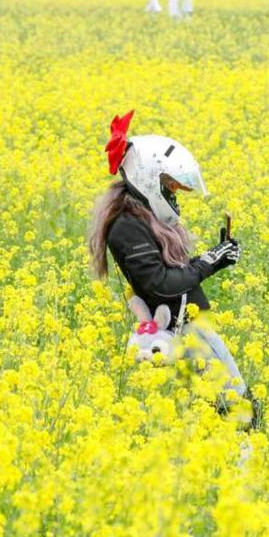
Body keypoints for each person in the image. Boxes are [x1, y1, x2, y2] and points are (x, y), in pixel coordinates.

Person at [88, 110, 246, 396]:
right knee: (237, 408)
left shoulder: (143, 217)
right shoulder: (126, 226)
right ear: (148, 177)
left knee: (219, 412)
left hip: (189, 331)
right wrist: (208, 262)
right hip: (181, 335)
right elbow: (161, 285)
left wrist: (218, 259)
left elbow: (178, 275)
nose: (173, 195)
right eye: (169, 186)